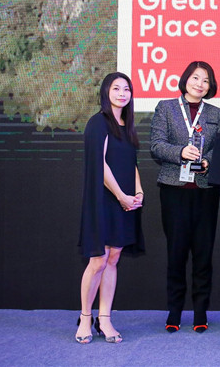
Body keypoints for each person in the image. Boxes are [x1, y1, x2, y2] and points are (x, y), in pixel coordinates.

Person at [150, 61, 220, 334]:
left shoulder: (216, 113)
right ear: (185, 80)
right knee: (176, 252)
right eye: (195, 78)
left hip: (205, 191)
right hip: (174, 190)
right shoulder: (166, 107)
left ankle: (201, 311)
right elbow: (156, 145)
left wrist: (207, 161)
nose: (200, 84)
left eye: (206, 80)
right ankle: (174, 310)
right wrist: (180, 152)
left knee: (203, 253)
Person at [76, 72, 145, 344]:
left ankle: (104, 319)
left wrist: (138, 192)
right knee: (98, 260)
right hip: (105, 199)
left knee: (114, 258)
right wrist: (121, 196)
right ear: (106, 92)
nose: (122, 93)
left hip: (125, 200)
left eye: (126, 89)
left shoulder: (127, 124)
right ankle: (85, 318)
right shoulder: (98, 123)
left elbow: (131, 163)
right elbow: (100, 164)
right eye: (116, 88)